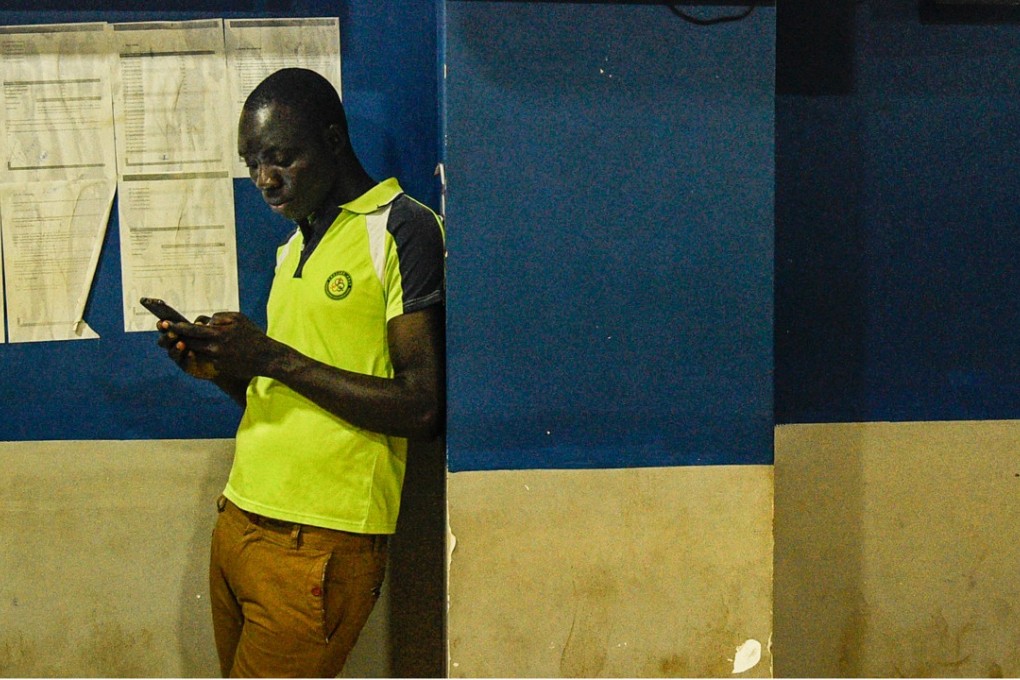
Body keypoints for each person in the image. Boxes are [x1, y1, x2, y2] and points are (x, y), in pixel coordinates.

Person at [155, 67, 446, 677]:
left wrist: (269, 356)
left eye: (281, 157)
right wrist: (225, 371)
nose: (264, 179)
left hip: (317, 540)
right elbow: (290, 391)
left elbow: (422, 406)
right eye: (252, 161)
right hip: (240, 519)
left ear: (333, 141)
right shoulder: (293, 245)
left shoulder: (401, 229)